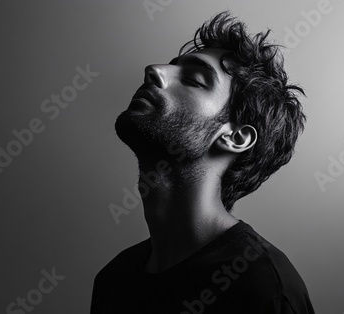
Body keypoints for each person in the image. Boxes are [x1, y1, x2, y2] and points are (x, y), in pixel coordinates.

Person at [91, 11, 315, 314]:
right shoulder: (113, 279)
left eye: (194, 79)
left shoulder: (262, 289)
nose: (153, 70)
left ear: (235, 138)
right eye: (170, 67)